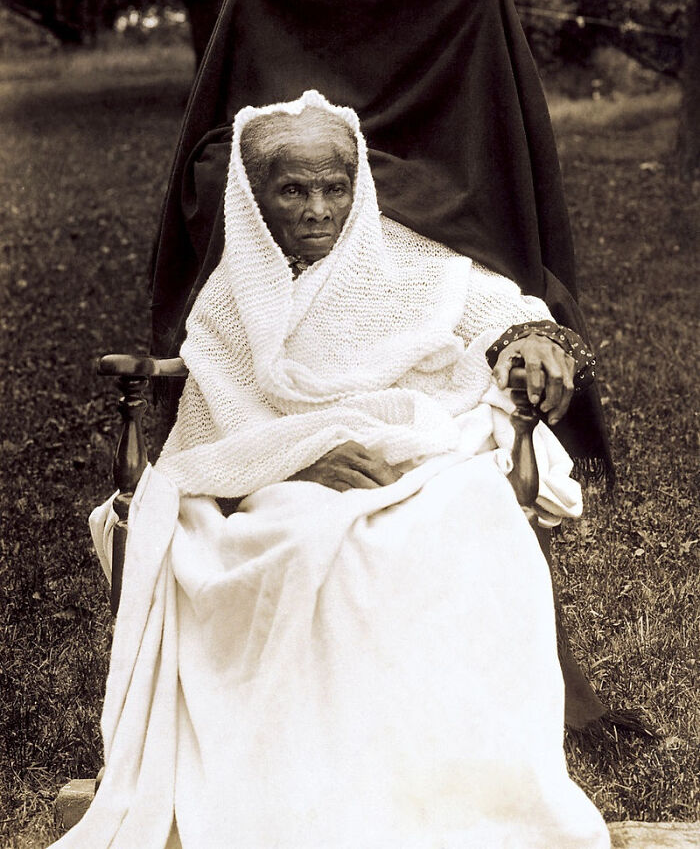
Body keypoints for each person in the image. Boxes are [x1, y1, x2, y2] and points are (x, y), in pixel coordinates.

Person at [51, 90, 610, 849]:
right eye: (293, 188)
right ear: (255, 195)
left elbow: (499, 308)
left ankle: (440, 775)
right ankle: (303, 778)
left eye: (334, 186)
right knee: (291, 539)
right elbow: (214, 430)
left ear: (359, 186)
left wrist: (534, 339)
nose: (318, 208)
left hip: (417, 453)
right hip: (275, 480)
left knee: (462, 515)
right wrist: (296, 457)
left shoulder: (405, 256)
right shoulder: (230, 296)